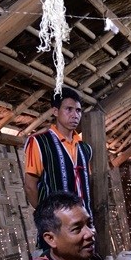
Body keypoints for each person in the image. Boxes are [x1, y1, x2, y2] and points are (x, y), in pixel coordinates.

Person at [24, 86, 92, 219]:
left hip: (84, 224)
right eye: (69, 109)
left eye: (78, 110)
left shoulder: (85, 149)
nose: (75, 115)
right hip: (56, 225)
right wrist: (46, 218)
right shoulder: (39, 142)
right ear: (55, 111)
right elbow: (30, 186)